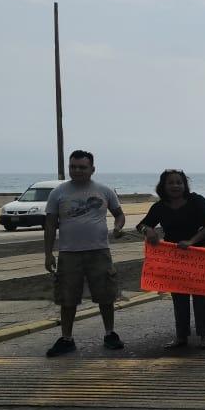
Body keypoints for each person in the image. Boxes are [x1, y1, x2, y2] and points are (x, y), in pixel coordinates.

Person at [43, 150, 127, 357]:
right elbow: (50, 225)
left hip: (99, 252)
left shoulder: (104, 191)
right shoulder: (58, 193)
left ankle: (110, 334)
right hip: (68, 254)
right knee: (67, 298)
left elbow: (119, 214)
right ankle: (67, 339)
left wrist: (118, 227)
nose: (77, 170)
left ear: (92, 169)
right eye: (73, 167)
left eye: (82, 167)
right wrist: (48, 254)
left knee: (106, 295)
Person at [137, 169, 205, 349]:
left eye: (179, 182)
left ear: (185, 185)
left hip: (198, 253)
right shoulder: (159, 206)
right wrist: (149, 231)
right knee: (179, 298)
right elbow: (142, 225)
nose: (175, 186)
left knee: (201, 298)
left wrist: (191, 241)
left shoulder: (196, 201)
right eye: (171, 183)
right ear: (163, 186)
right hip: (174, 258)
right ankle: (181, 336)